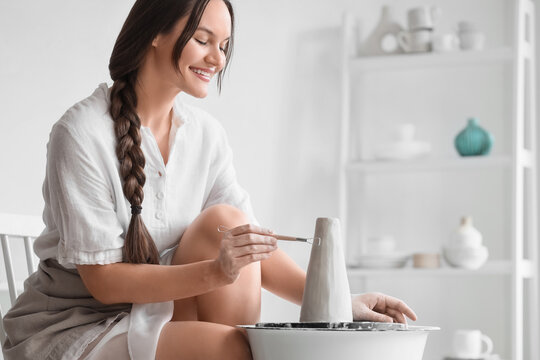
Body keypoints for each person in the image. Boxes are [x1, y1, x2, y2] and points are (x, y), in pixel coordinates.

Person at [2, 0, 417, 359]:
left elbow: (248, 245)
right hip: (75, 327)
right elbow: (105, 283)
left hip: (152, 309)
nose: (217, 59)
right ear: (155, 34)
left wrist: (341, 304)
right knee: (239, 350)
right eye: (203, 40)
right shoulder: (81, 132)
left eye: (224, 47)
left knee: (227, 223)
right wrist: (215, 273)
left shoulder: (205, 135)